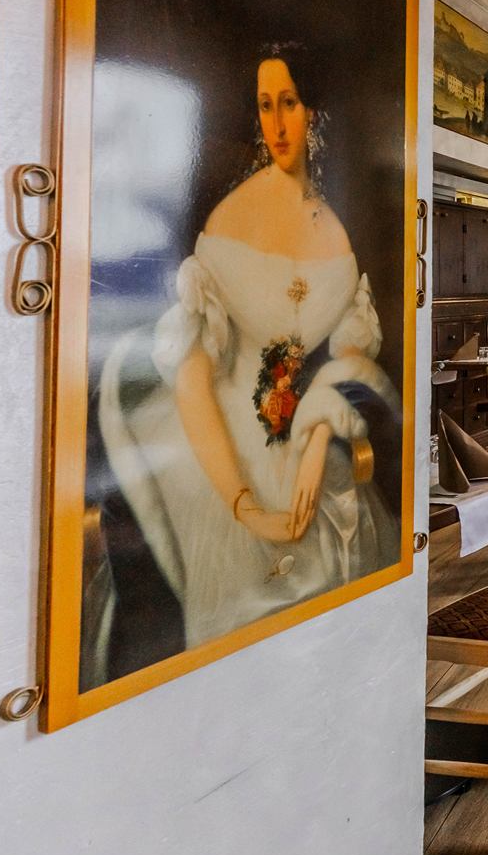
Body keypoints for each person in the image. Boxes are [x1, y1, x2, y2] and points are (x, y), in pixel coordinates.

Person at [94, 46, 400, 675]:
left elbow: (348, 353)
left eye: (289, 103)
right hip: (221, 433)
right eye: (265, 106)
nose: (278, 124)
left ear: (313, 112)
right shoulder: (232, 217)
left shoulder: (335, 224)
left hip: (302, 430)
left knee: (344, 566)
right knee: (249, 613)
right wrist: (242, 501)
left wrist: (318, 432)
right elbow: (192, 375)